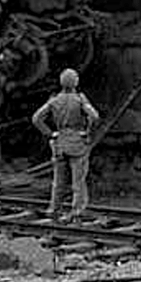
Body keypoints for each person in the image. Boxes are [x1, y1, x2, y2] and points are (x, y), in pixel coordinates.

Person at [32, 68, 100, 222]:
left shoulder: (54, 100)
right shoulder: (80, 100)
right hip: (77, 142)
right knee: (78, 181)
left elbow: (36, 119)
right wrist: (88, 132)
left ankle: (53, 209)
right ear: (75, 82)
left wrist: (50, 133)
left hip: (59, 142)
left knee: (58, 181)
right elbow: (94, 117)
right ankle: (77, 211)